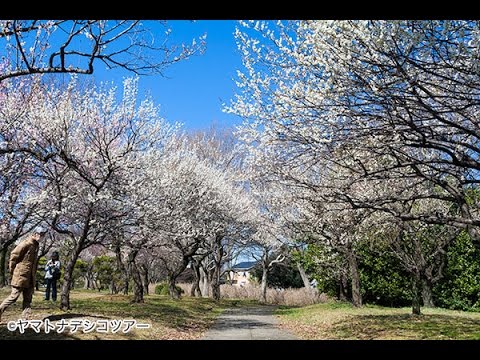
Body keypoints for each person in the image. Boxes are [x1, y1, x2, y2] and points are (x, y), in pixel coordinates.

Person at [0, 226, 48, 323]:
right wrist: (13, 271)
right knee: (13, 297)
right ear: (35, 234)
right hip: (20, 275)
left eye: (43, 235)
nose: (42, 237)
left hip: (30, 276)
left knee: (28, 298)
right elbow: (14, 255)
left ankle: (25, 318)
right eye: (41, 235)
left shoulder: (36, 245)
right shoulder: (26, 243)